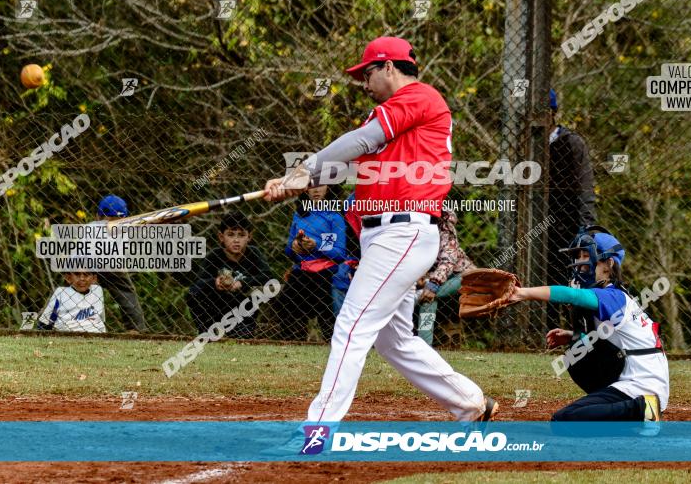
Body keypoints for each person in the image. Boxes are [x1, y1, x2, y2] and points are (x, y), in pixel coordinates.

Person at [264, 36, 497, 425]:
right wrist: (293, 182)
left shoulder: (420, 97)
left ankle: (319, 427)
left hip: (402, 233)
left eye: (367, 72)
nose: (364, 82)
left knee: (351, 324)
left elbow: (358, 140)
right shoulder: (397, 120)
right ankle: (470, 402)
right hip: (385, 236)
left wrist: (302, 169)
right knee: (395, 340)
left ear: (389, 67)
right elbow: (346, 164)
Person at [509, 226, 667, 430]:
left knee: (564, 421)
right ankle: (637, 413)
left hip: (642, 385)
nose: (580, 263)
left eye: (587, 256)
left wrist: (523, 293)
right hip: (637, 380)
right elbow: (609, 341)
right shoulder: (613, 296)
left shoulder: (614, 296)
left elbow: (572, 295)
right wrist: (572, 336)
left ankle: (641, 410)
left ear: (609, 265)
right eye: (578, 256)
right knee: (576, 353)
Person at [547, 89, 596, 331]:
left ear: (551, 113)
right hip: (536, 228)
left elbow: (585, 187)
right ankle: (545, 333)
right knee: (544, 282)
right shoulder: (524, 146)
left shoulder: (571, 143)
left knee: (574, 281)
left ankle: (580, 334)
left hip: (567, 225)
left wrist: (587, 227)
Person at [186, 212, 272, 338]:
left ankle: (242, 329)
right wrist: (215, 282)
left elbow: (268, 276)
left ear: (249, 237)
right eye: (231, 235)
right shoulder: (214, 256)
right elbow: (199, 281)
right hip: (216, 307)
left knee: (242, 339)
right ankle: (207, 330)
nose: (236, 240)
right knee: (193, 292)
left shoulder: (253, 254)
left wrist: (242, 283)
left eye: (241, 235)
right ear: (221, 237)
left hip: (242, 309)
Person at [280, 184, 348, 341]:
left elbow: (339, 254)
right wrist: (295, 246)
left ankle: (332, 342)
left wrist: (316, 245)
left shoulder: (334, 216)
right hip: (302, 270)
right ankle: (292, 342)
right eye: (312, 186)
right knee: (286, 301)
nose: (316, 190)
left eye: (321, 185)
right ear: (304, 189)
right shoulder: (300, 215)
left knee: (326, 305)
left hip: (326, 272)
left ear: (329, 188)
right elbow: (289, 251)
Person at [415, 209, 475, 345]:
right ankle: (424, 346)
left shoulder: (444, 225)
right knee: (428, 299)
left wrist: (433, 284)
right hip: (432, 278)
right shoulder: (410, 225)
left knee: (428, 294)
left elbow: (448, 261)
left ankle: (423, 346)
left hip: (460, 277)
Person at [93, 195, 147, 332]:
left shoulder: (93, 226)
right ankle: (135, 329)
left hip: (90, 265)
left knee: (75, 291)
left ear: (97, 216)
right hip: (107, 265)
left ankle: (66, 322)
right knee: (126, 292)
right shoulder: (125, 227)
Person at [37, 270, 106, 333]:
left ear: (94, 278)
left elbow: (101, 319)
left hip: (97, 334)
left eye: (86, 274)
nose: (82, 278)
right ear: (68, 278)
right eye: (77, 274)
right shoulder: (61, 293)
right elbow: (45, 322)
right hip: (69, 334)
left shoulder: (97, 290)